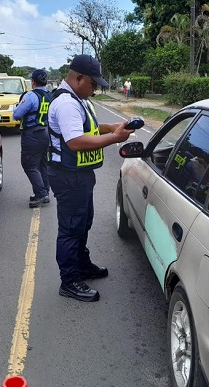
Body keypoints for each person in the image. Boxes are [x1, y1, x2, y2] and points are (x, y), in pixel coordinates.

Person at [47, 54, 135, 302]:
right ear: (78, 78)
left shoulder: (78, 99)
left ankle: (82, 265)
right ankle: (69, 281)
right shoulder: (66, 104)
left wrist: (113, 127)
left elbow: (90, 128)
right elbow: (75, 142)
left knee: (83, 223)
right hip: (68, 176)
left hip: (79, 175)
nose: (95, 89)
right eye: (93, 84)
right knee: (70, 229)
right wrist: (115, 139)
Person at [13, 69, 51, 208]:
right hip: (46, 133)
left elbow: (17, 115)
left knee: (29, 165)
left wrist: (17, 107)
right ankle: (44, 191)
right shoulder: (49, 95)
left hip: (32, 134)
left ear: (33, 82)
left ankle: (41, 194)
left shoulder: (30, 96)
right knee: (42, 164)